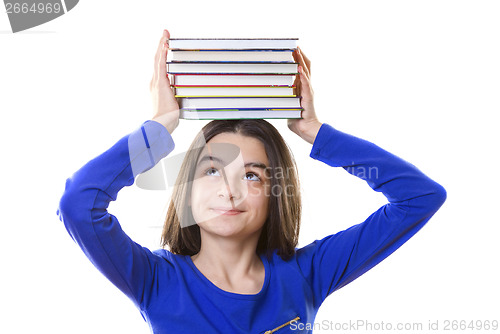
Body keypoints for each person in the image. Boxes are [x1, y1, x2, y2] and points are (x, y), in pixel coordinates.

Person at [57, 29, 447, 333]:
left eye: (252, 175)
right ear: (187, 190)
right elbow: (79, 204)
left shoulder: (307, 275)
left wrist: (315, 131)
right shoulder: (155, 280)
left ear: (276, 195)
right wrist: (159, 128)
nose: (229, 190)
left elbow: (420, 197)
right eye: (211, 171)